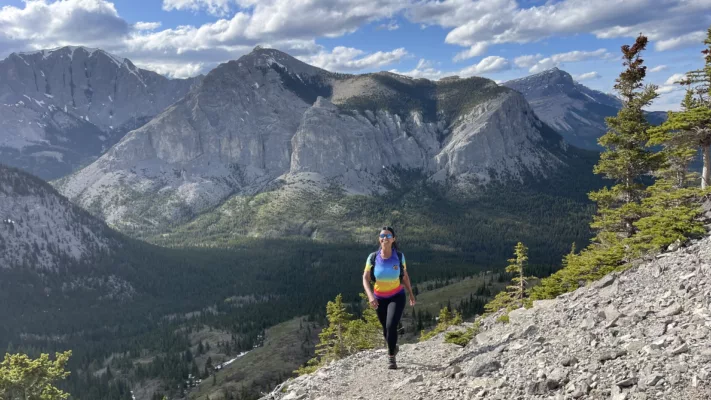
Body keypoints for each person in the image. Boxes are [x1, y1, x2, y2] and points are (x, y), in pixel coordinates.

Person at [362, 226, 416, 369]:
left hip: (396, 296)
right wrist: (370, 296)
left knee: (391, 325)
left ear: (393, 239)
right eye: (382, 236)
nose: (384, 238)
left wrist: (411, 294)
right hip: (379, 298)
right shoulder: (372, 257)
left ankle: (391, 358)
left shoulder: (399, 256)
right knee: (386, 329)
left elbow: (405, 276)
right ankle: (393, 346)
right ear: (379, 239)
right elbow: (365, 278)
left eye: (388, 236)